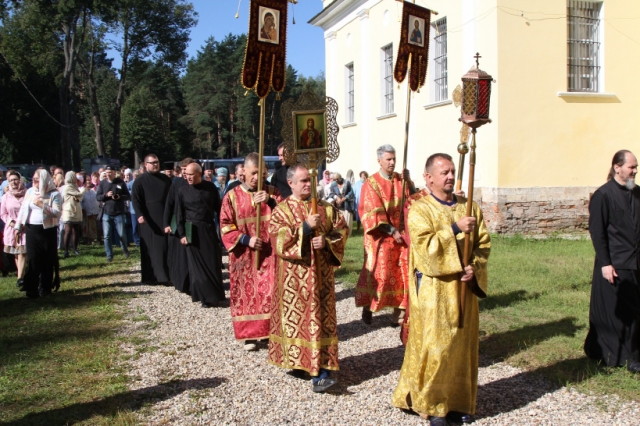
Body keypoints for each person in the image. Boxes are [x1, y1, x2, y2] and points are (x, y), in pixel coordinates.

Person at [392, 153, 490, 426]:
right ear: (428, 178)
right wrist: (455, 228)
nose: (449, 176)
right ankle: (433, 406)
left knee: (462, 346)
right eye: (443, 172)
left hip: (464, 290)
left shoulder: (468, 207)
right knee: (437, 347)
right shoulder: (420, 209)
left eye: (452, 171)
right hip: (435, 290)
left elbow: (483, 245)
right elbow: (424, 251)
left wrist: (474, 268)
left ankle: (458, 402)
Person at [267, 164, 349, 393]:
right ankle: (303, 364)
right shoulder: (281, 210)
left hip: (321, 279)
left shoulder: (326, 208)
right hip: (294, 283)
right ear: (290, 183)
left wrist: (326, 241)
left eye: (309, 181)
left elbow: (342, 231)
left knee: (320, 321)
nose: (307, 185)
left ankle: (320, 368)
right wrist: (304, 227)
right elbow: (278, 240)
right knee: (298, 323)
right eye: (302, 181)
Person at [584, 150, 640, 372]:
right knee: (621, 313)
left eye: (636, 168)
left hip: (635, 262)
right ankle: (628, 357)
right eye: (631, 167)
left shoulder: (637, 193)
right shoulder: (603, 195)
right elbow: (597, 232)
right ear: (617, 167)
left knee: (635, 310)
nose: (635, 171)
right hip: (615, 264)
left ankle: (629, 350)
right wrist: (606, 263)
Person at [220, 153, 281, 351]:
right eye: (254, 173)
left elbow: (289, 217)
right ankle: (249, 336)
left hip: (270, 255)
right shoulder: (232, 196)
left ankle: (270, 332)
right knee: (246, 295)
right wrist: (246, 239)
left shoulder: (273, 192)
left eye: (262, 173)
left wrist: (271, 201)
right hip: (244, 256)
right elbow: (225, 225)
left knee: (271, 293)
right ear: (243, 172)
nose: (258, 178)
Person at [355, 144, 414, 326]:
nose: (392, 162)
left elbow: (413, 202)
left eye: (394, 159)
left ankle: (398, 314)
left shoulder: (400, 180)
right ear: (379, 161)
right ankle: (369, 306)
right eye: (388, 159)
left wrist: (409, 182)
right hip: (380, 237)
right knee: (380, 274)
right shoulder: (371, 183)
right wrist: (391, 230)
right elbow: (371, 212)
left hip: (402, 236)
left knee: (404, 271)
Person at [175, 163, 225, 307]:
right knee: (197, 267)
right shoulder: (183, 191)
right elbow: (179, 214)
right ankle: (204, 298)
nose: (188, 177)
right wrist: (182, 234)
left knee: (212, 262)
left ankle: (215, 295)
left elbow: (219, 209)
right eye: (187, 175)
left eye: (191, 175)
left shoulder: (210, 188)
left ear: (199, 174)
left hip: (208, 228)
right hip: (192, 230)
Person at [14, 169, 62, 298]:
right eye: (33, 178)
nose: (34, 181)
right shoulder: (30, 192)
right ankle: (31, 288)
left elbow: (57, 213)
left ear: (45, 180)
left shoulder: (54, 194)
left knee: (47, 259)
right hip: (31, 230)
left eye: (37, 179)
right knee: (33, 259)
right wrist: (18, 227)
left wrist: (42, 205)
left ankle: (45, 287)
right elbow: (23, 209)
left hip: (47, 230)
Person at [132, 154, 172, 284]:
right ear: (145, 164)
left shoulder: (165, 179)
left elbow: (171, 198)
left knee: (164, 247)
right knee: (150, 248)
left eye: (157, 162)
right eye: (152, 162)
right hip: (148, 219)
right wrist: (139, 214)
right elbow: (136, 200)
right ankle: (150, 277)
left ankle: (165, 276)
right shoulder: (140, 181)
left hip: (164, 216)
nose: (155, 164)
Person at [163, 157, 195, 294]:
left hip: (192, 222)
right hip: (177, 221)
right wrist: (166, 223)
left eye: (186, 170)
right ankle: (181, 281)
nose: (184, 173)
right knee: (179, 254)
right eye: (182, 170)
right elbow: (169, 205)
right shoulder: (176, 184)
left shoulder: (196, 183)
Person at [96, 166, 130, 262]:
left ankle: (125, 250)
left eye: (110, 172)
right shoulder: (102, 183)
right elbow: (98, 197)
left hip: (118, 213)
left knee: (122, 235)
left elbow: (127, 196)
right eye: (107, 172)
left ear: (114, 172)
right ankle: (109, 255)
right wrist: (106, 195)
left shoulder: (120, 182)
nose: (108, 174)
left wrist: (119, 196)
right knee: (106, 235)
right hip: (106, 213)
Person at [1, 171, 27, 286]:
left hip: (24, 227)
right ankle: (22, 274)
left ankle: (20, 277)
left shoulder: (27, 194)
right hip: (11, 228)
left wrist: (22, 223)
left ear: (20, 180)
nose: (13, 182)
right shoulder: (5, 197)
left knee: (22, 252)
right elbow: (2, 213)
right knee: (17, 253)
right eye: (11, 180)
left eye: (15, 179)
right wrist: (11, 222)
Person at [61, 171, 86, 258]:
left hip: (77, 209)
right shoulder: (67, 187)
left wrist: (79, 195)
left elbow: (80, 197)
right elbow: (79, 194)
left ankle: (75, 249)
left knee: (76, 230)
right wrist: (83, 190)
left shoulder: (75, 186)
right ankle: (66, 250)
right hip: (69, 211)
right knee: (68, 231)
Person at [81, 180, 99, 245]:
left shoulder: (94, 192)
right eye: (87, 183)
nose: (88, 185)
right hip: (85, 211)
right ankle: (86, 239)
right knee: (85, 225)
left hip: (93, 211)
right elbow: (81, 202)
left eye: (89, 183)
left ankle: (92, 239)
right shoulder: (83, 192)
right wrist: (83, 209)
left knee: (92, 225)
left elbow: (96, 201)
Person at [125, 170, 140, 246]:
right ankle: (137, 241)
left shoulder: (141, 183)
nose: (136, 177)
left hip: (141, 209)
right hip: (133, 210)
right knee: (135, 227)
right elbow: (126, 194)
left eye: (138, 176)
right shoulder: (129, 184)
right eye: (135, 176)